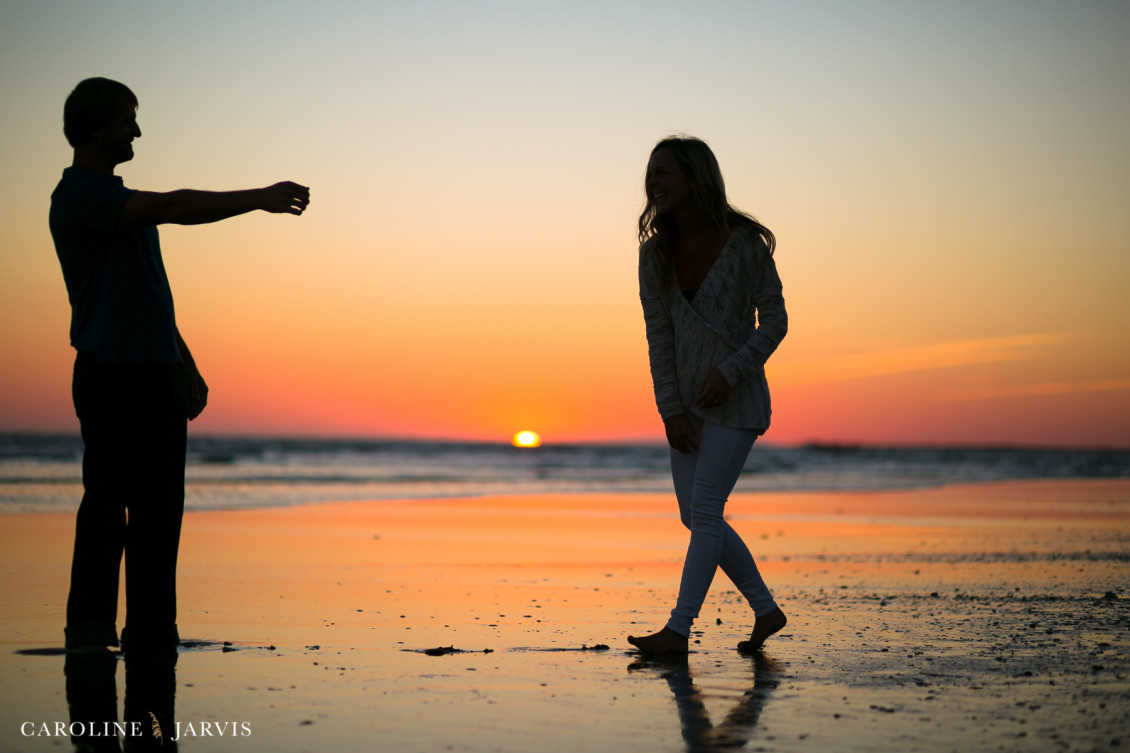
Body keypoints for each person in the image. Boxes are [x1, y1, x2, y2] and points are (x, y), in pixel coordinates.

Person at [49, 77, 310, 652]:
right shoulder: (82, 197)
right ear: (94, 127)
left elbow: (147, 295)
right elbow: (173, 206)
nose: (137, 130)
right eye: (126, 120)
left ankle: (151, 638)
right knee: (107, 514)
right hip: (112, 375)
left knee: (160, 519)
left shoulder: (119, 203)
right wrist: (257, 197)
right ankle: (88, 639)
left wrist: (183, 361)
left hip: (156, 372)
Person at [628, 136, 787, 655]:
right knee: (697, 516)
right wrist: (669, 408)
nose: (654, 182)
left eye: (664, 172)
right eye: (650, 173)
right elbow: (659, 335)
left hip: (737, 402)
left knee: (705, 509)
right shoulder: (654, 255)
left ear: (695, 177)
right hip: (686, 408)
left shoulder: (744, 245)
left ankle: (678, 631)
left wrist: (730, 371)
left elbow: (776, 323)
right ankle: (766, 610)